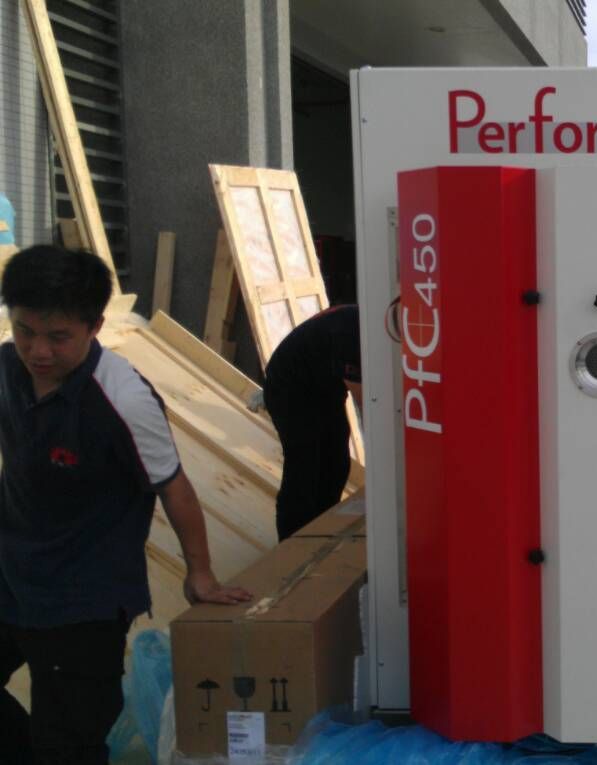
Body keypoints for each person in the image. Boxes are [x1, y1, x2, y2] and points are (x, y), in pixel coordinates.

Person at [0, 245, 252, 764]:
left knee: (68, 744)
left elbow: (174, 486)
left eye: (58, 337)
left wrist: (200, 573)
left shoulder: (123, 399)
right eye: (25, 330)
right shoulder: (7, 366)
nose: (38, 350)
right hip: (11, 574)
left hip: (83, 602)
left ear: (94, 326)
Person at [261, 305, 360, 541]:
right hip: (289, 390)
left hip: (323, 388)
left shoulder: (367, 325)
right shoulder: (352, 336)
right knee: (304, 467)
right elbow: (369, 406)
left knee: (337, 462)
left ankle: (321, 530)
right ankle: (292, 544)